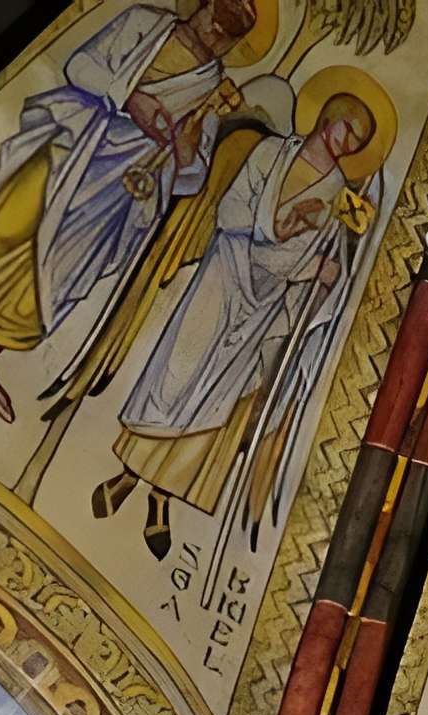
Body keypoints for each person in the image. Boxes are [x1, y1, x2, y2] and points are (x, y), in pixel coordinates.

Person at [0, 0, 256, 423]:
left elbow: (193, 177)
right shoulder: (147, 24)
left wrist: (184, 152)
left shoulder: (214, 90)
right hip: (77, 141)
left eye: (227, 34)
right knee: (3, 222)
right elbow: (83, 66)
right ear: (202, 6)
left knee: (59, 276)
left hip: (121, 193)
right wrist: (132, 98)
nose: (214, 34)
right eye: (216, 20)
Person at [93, 88, 381, 560]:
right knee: (176, 373)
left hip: (264, 304)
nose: (349, 145)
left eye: (358, 141)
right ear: (331, 118)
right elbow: (230, 212)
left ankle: (160, 500)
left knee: (217, 392)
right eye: (349, 131)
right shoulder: (270, 153)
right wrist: (278, 228)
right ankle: (128, 472)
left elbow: (311, 257)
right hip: (223, 275)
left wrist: (320, 271)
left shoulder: (336, 197)